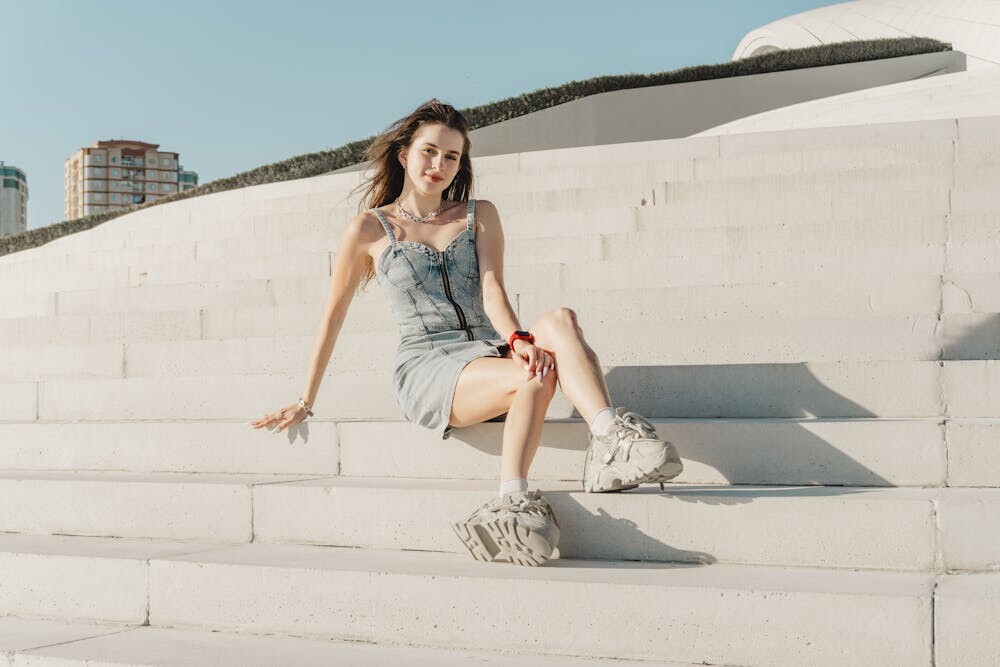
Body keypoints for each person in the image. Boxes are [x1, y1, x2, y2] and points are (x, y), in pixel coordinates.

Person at [251, 99, 682, 566]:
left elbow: (494, 290)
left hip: (488, 348)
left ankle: (609, 439)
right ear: (404, 155)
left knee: (560, 321)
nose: (439, 165)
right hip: (429, 366)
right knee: (534, 376)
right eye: (429, 151)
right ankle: (512, 499)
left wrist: (517, 340)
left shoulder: (479, 214)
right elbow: (333, 317)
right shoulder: (368, 229)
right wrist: (306, 399)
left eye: (451, 156)